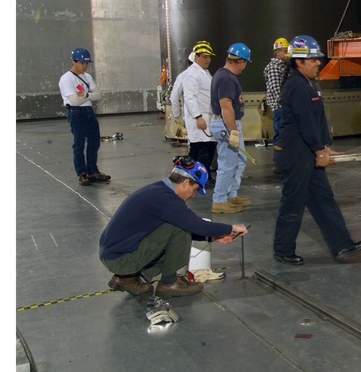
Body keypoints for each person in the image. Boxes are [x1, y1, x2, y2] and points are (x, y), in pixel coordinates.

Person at [272, 35, 361, 265]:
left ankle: (342, 244)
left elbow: (318, 120)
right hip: (295, 154)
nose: (318, 63)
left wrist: (325, 147)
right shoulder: (295, 86)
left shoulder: (310, 84)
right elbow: (305, 121)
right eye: (313, 59)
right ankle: (283, 249)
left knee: (324, 198)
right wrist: (318, 151)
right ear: (299, 62)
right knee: (293, 201)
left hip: (308, 151)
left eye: (318, 59)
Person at [98, 157, 248, 297]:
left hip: (114, 255)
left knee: (177, 227)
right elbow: (197, 226)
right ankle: (169, 283)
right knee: (180, 227)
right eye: (194, 189)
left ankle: (126, 278)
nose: (192, 195)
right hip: (121, 259)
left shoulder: (158, 190)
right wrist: (231, 228)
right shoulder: (166, 199)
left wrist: (212, 236)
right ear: (185, 184)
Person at [59, 47, 110, 186]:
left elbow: (98, 95)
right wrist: (88, 96)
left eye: (87, 64)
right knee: (79, 143)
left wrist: (85, 95)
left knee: (94, 141)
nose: (85, 66)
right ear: (74, 62)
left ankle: (93, 171)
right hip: (76, 113)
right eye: (82, 63)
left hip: (88, 111)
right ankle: (82, 173)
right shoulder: (67, 79)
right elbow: (74, 101)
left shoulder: (87, 77)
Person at [209, 42, 251, 214]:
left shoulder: (223, 75)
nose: (245, 67)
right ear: (239, 61)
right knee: (227, 164)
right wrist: (233, 131)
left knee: (240, 160)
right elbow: (226, 106)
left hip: (228, 125)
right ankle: (219, 200)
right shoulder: (226, 78)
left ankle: (231, 195)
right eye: (245, 63)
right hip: (226, 125)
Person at [177, 40, 218, 184]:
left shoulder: (204, 72)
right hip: (200, 119)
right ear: (196, 57)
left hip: (207, 117)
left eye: (209, 57)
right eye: (204, 56)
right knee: (202, 149)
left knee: (206, 148)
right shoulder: (192, 74)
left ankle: (199, 176)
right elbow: (189, 97)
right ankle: (198, 178)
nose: (208, 59)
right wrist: (198, 117)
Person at [263, 37, 290, 142]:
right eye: (285, 51)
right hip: (280, 106)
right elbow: (276, 88)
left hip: (284, 106)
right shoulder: (274, 67)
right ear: (277, 52)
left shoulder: (284, 66)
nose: (288, 53)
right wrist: (284, 103)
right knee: (281, 135)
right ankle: (279, 157)